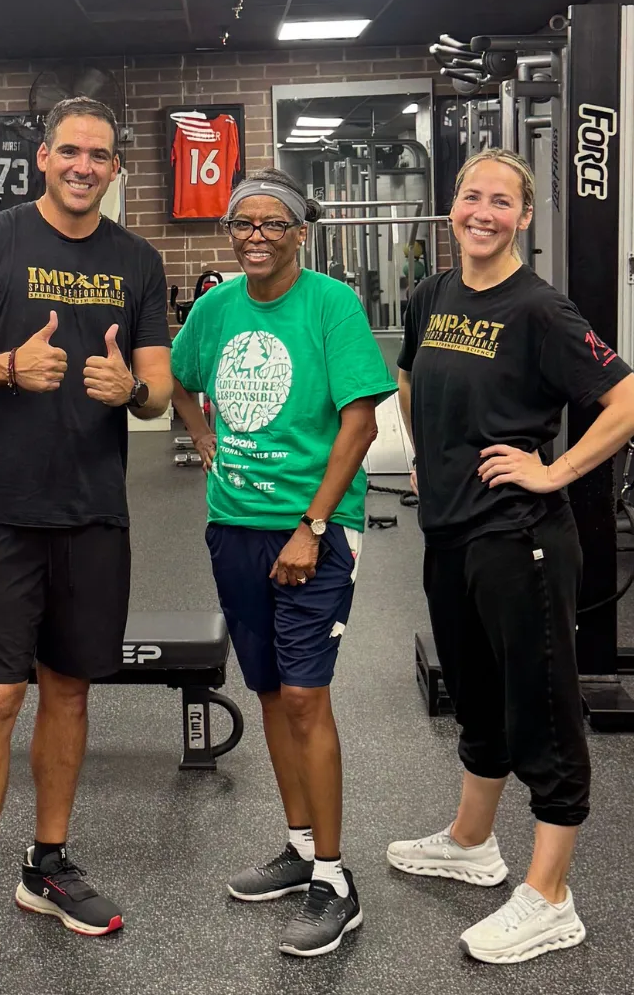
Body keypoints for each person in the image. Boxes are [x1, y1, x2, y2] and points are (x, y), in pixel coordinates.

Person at [0, 96, 172, 994]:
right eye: (69, 150)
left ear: (115, 168)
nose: (83, 166)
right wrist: (7, 367)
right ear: (42, 157)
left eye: (99, 155)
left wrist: (129, 394)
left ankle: (48, 864)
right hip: (0, 510)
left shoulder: (138, 261)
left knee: (69, 691)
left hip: (93, 510)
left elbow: (156, 385)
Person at [387, 147, 634, 964]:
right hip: (451, 531)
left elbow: (626, 398)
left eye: (501, 201)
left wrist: (554, 468)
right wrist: (426, 455)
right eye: (470, 197)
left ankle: (552, 896)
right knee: (477, 693)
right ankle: (471, 841)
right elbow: (411, 380)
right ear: (452, 207)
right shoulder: (432, 294)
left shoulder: (541, 311)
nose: (482, 212)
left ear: (524, 217)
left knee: (545, 711)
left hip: (520, 535)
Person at [170, 168, 397, 958]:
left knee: (305, 697)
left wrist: (313, 522)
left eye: (273, 223)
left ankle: (335, 879)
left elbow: (361, 425)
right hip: (235, 526)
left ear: (301, 231)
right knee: (267, 690)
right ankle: (300, 847)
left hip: (316, 530)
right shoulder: (215, 307)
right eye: (243, 224)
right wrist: (200, 435)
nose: (255, 235)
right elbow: (179, 377)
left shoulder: (331, 305)